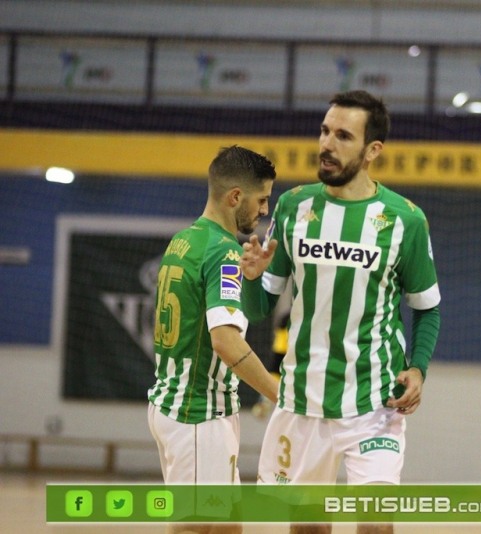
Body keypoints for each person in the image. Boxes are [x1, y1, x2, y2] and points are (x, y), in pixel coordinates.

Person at [240, 90, 441, 534]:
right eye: (324, 131)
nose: (327, 144)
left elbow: (428, 311)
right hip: (303, 401)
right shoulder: (294, 207)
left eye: (343, 136)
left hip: (374, 403)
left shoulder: (405, 220)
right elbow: (260, 310)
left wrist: (419, 368)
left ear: (373, 151)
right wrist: (252, 279)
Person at [147, 145, 281, 534]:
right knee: (195, 527)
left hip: (179, 404)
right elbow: (225, 341)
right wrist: (281, 395)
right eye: (261, 200)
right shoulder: (224, 251)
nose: (264, 211)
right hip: (197, 415)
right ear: (235, 197)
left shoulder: (183, 241)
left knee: (227, 526)